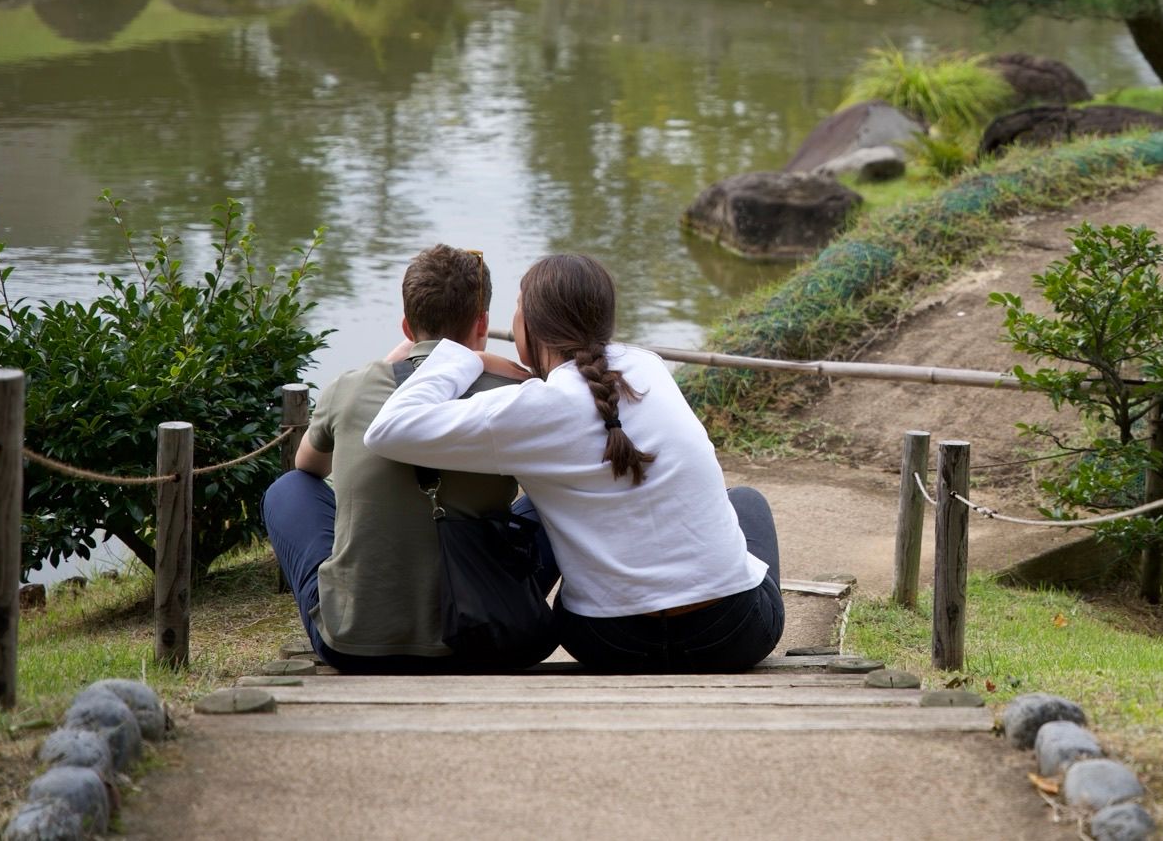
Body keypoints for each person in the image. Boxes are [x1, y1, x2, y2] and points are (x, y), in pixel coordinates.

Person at [365, 253, 784, 675]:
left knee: (537, 510)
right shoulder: (648, 366)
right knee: (746, 501)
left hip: (608, 641)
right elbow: (588, 407)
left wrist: (462, 357)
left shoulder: (530, 408)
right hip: (734, 635)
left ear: (530, 325)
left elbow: (388, 429)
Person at [263, 245, 557, 672]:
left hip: (354, 642)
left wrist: (383, 369)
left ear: (406, 324)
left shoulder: (350, 387)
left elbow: (308, 467)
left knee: (287, 488)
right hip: (485, 635)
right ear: (482, 324)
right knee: (550, 503)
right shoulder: (513, 394)